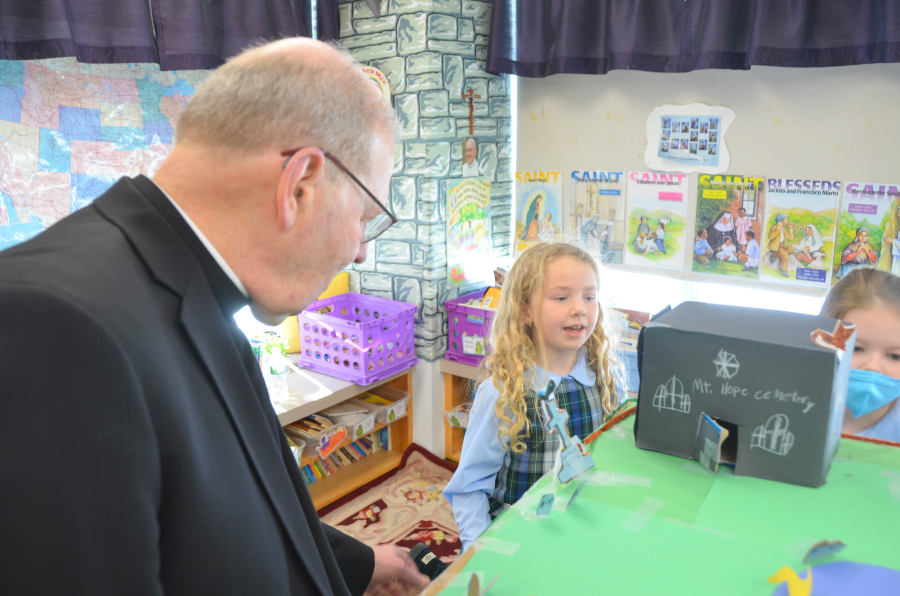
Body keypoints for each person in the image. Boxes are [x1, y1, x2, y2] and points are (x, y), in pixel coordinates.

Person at [0, 39, 429, 596]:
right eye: (366, 216)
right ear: (299, 185)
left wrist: (357, 563)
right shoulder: (55, 327)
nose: (360, 251)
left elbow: (225, 508)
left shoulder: (195, 286)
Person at [443, 243, 622, 551]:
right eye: (562, 297)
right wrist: (480, 551)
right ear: (526, 309)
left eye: (589, 296)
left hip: (583, 532)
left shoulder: (606, 377)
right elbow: (469, 488)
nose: (579, 308)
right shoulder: (502, 392)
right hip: (518, 539)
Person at [820, 269, 900, 442]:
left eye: (895, 356)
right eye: (856, 348)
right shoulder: (789, 401)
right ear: (824, 340)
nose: (872, 366)